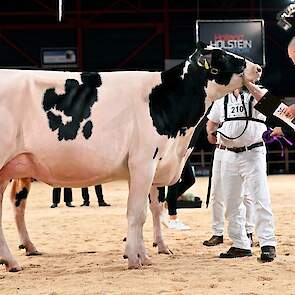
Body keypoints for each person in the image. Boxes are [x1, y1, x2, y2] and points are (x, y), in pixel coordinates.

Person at [205, 87, 276, 262]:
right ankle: (240, 244)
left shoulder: (258, 92)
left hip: (253, 152)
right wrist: (210, 133)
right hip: (228, 153)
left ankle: (268, 244)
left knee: (260, 198)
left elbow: (271, 105)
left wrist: (249, 83)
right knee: (231, 202)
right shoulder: (222, 97)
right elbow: (212, 122)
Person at [160, 160, 195, 230]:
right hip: (173, 152)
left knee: (190, 179)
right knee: (174, 180)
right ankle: (173, 218)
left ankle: (167, 202)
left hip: (185, 151)